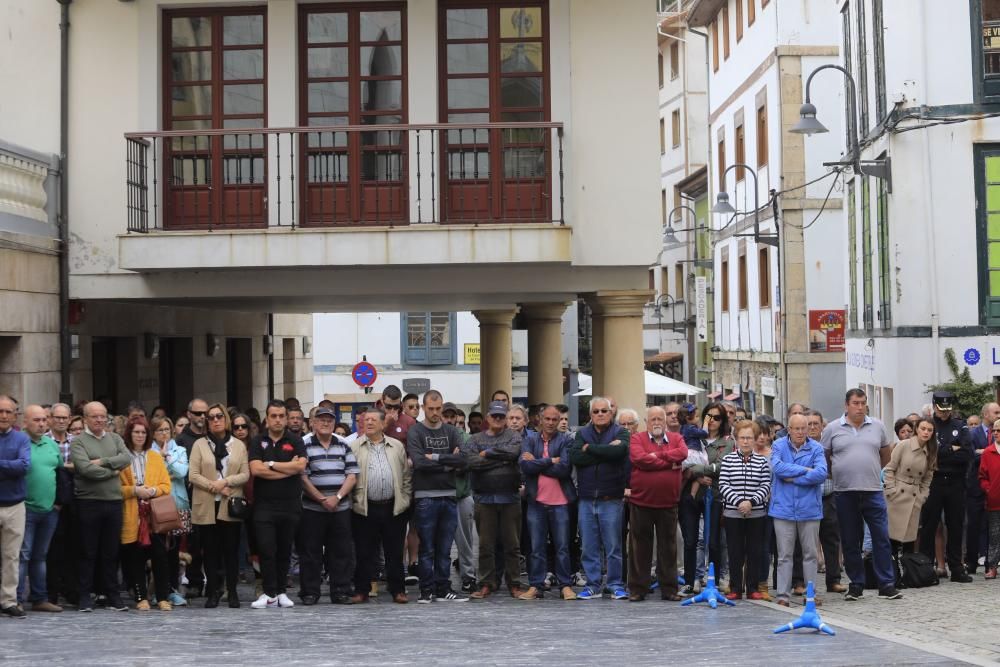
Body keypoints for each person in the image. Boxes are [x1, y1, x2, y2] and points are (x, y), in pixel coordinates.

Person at [821, 388, 902, 601]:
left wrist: (873, 472)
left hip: (873, 490)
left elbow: (885, 455)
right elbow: (826, 457)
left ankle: (886, 583)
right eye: (856, 403)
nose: (860, 407)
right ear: (846, 405)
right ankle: (856, 584)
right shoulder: (832, 428)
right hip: (845, 492)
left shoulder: (877, 426)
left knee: (881, 537)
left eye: (863, 403)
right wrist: (840, 473)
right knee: (850, 540)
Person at [407, 390, 468, 603]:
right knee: (427, 548)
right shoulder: (415, 431)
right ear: (424, 408)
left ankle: (443, 588)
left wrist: (435, 458)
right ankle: (427, 590)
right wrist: (448, 463)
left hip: (449, 495)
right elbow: (418, 462)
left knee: (444, 547)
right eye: (431, 409)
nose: (435, 412)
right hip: (425, 496)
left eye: (438, 408)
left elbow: (463, 461)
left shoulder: (451, 431)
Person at [71, 401, 132, 612]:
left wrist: (103, 461)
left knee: (110, 552)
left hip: (114, 503)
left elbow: (127, 457)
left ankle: (112, 595)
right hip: (89, 503)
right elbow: (86, 470)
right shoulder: (79, 442)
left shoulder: (115, 438)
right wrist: (113, 470)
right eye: (95, 416)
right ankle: (85, 596)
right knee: (87, 552)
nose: (99, 420)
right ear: (85, 418)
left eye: (103, 416)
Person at [247, 400, 307, 609]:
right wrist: (286, 469)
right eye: (274, 416)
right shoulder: (258, 441)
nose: (278, 420)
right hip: (264, 506)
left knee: (284, 550)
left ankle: (281, 591)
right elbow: (256, 470)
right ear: (267, 418)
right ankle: (268, 591)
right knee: (266, 549)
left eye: (282, 416)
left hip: (290, 505)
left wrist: (271, 465)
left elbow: (300, 467)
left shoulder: (295, 440)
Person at [569, 396, 630, 600]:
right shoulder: (582, 433)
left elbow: (620, 452)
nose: (600, 414)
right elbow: (575, 457)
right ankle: (593, 584)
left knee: (613, 546)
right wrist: (606, 451)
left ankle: (614, 584)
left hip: (611, 497)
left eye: (604, 411)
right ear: (590, 415)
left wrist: (591, 449)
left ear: (611, 413)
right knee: (588, 545)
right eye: (596, 411)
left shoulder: (620, 432)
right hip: (586, 498)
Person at [349, 409, 412, 604]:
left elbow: (406, 475)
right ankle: (362, 590)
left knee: (394, 552)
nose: (368, 423)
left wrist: (405, 498)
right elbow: (349, 475)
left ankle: (398, 590)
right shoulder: (354, 447)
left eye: (373, 420)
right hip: (365, 507)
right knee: (364, 552)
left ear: (383, 424)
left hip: (393, 507)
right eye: (365, 419)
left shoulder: (396, 446)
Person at [299, 406, 359, 605]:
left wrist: (338, 497)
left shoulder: (343, 445)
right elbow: (302, 477)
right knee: (310, 552)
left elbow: (352, 475)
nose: (325, 423)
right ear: (313, 423)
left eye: (329, 420)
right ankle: (310, 592)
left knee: (341, 551)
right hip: (312, 509)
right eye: (321, 419)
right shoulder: (304, 445)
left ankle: (340, 591)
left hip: (340, 508)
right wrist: (321, 499)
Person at [626, 406, 687, 602]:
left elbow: (683, 453)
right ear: (646, 422)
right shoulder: (637, 439)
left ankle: (669, 589)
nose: (657, 422)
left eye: (660, 418)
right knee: (639, 548)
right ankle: (638, 589)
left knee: (668, 549)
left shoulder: (677, 439)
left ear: (666, 421)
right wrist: (669, 461)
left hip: (668, 502)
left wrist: (655, 458)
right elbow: (638, 458)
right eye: (653, 419)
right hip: (641, 501)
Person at [465, 400, 524, 599]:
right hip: (484, 498)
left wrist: (488, 454)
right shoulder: (474, 439)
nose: (498, 419)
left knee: (512, 545)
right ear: (488, 417)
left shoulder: (514, 436)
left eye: (501, 416)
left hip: (510, 498)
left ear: (505, 418)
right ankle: (486, 583)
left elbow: (514, 453)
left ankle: (514, 583)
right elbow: (471, 462)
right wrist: (501, 460)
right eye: (494, 416)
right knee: (485, 545)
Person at [519, 405, 577, 601]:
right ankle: (536, 585)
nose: (551, 423)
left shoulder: (566, 440)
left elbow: (564, 469)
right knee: (536, 548)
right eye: (548, 419)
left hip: (560, 502)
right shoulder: (529, 439)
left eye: (555, 419)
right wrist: (550, 460)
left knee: (562, 547)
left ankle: (565, 585)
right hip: (536, 501)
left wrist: (537, 462)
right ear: (540, 420)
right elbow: (525, 466)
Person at [769, 414, 826, 606]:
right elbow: (777, 468)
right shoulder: (778, 445)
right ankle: (783, 596)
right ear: (789, 429)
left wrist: (793, 477)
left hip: (809, 508)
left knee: (810, 554)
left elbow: (821, 474)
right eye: (797, 428)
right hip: (783, 509)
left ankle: (810, 593)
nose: (801, 432)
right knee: (784, 555)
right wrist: (805, 470)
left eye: (804, 428)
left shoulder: (816, 448)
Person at [919, 390, 974, 582]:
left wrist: (943, 452)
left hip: (956, 481)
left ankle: (956, 568)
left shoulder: (960, 425)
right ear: (934, 406)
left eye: (947, 409)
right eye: (941, 409)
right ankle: (926, 568)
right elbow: (929, 453)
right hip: (934, 481)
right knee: (929, 525)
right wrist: (952, 448)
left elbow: (967, 453)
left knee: (956, 525)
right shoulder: (928, 426)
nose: (944, 413)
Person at [118, 417, 172, 610]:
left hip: (154, 514)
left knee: (160, 556)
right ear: (129, 434)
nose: (140, 436)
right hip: (132, 512)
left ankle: (163, 597)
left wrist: (152, 491)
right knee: (136, 557)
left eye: (143, 432)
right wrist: (134, 491)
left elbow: (166, 485)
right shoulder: (122, 457)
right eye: (136, 432)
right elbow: (116, 488)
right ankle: (141, 597)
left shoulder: (155, 457)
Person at [680, 401, 733, 594]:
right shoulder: (694, 435)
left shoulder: (727, 441)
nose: (712, 421)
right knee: (690, 540)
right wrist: (697, 475)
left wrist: (697, 471)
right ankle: (690, 579)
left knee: (714, 541)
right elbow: (682, 462)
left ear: (723, 420)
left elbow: (721, 466)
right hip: (691, 495)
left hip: (715, 494)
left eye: (717, 417)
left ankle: (715, 579)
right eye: (708, 416)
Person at [17, 405, 64, 613]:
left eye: (44, 419)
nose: (42, 423)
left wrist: (58, 502)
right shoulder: (19, 443)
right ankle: (15, 599)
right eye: (36, 420)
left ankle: (39, 598)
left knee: (40, 556)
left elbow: (60, 474)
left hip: (49, 510)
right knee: (22, 556)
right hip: (24, 509)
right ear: (25, 422)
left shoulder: (51, 445)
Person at [719, 420, 771, 601]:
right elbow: (723, 485)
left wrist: (751, 501)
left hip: (756, 513)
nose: (746, 441)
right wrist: (739, 502)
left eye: (749, 438)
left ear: (755, 439)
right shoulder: (727, 459)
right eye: (742, 438)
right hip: (733, 513)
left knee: (754, 551)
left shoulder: (762, 461)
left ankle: (752, 588)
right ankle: (735, 587)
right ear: (736, 439)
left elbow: (765, 485)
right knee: (735, 551)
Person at [884, 418, 937, 573]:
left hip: (914, 497)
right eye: (923, 429)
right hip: (897, 496)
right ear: (917, 430)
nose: (926, 432)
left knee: (909, 540)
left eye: (930, 430)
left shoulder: (931, 450)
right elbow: (889, 469)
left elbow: (928, 477)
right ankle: (892, 575)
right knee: (892, 539)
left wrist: (922, 497)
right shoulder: (903, 445)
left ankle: (909, 575)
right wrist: (891, 490)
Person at [150, 416, 190, 607]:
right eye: (160, 430)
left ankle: (172, 589)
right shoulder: (149, 452)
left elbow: (181, 472)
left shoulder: (179, 450)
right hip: (156, 505)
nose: (164, 433)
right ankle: (159, 590)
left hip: (177, 504)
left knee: (174, 550)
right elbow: (154, 476)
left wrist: (166, 458)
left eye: (167, 429)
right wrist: (165, 466)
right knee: (158, 551)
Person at [45, 403, 78, 607]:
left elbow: (82, 465)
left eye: (64, 418)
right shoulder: (44, 440)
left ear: (70, 419)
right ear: (50, 418)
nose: (61, 421)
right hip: (50, 501)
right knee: (52, 550)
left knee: (73, 548)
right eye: (57, 417)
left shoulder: (77, 441)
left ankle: (71, 590)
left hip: (73, 500)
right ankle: (51, 593)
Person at [967, 403, 999, 575]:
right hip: (975, 487)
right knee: (973, 525)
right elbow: (969, 454)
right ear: (986, 414)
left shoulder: (998, 434)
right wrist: (987, 452)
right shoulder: (973, 433)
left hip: (995, 489)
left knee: (992, 527)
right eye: (996, 412)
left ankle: (991, 562)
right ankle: (971, 562)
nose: (998, 414)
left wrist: (983, 452)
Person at [978, 418, 1000, 579]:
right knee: (994, 536)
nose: (996, 434)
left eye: (999, 431)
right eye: (994, 431)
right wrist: (988, 489)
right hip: (994, 501)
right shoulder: (988, 452)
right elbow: (982, 476)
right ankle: (992, 566)